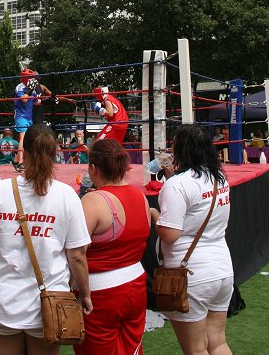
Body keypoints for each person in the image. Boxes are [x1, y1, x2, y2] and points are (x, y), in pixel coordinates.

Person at [0, 124, 93, 355]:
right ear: (55, 154)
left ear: (22, 153)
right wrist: (85, 294)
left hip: (5, 301)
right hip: (49, 303)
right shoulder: (67, 196)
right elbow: (77, 255)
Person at [150, 124, 233, 355]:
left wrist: (154, 214)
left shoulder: (177, 185)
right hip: (222, 270)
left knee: (195, 350)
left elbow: (169, 234)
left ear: (181, 150)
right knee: (217, 342)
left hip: (190, 276)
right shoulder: (219, 179)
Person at [75, 139, 151, 355]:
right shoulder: (141, 197)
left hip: (102, 292)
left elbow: (76, 253)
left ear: (93, 168)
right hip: (135, 285)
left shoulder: (93, 201)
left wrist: (83, 291)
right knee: (132, 347)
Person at [13, 69, 41, 172]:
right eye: (31, 78)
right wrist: (30, 89)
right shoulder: (19, 87)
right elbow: (24, 99)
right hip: (20, 116)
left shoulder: (32, 88)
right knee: (23, 138)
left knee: (29, 139)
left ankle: (16, 160)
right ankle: (21, 162)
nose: (32, 80)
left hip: (29, 117)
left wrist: (50, 100)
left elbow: (36, 102)